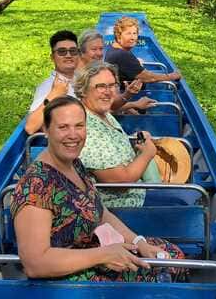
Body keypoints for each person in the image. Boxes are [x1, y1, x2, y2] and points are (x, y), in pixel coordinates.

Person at [12, 96, 184, 282]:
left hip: (98, 253)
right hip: (71, 280)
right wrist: (103, 255)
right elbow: (35, 264)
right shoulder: (36, 185)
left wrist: (138, 242)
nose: (73, 134)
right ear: (46, 130)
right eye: (63, 127)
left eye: (79, 126)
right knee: (164, 273)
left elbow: (101, 213)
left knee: (171, 255)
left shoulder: (74, 165)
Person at [75, 61, 161, 208]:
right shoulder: (87, 129)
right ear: (83, 90)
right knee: (192, 198)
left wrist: (136, 144)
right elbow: (121, 183)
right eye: (101, 86)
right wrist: (147, 153)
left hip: (138, 190)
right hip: (125, 207)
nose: (108, 92)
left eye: (112, 85)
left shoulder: (101, 113)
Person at [78, 29, 152, 114]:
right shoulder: (78, 77)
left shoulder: (100, 68)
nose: (99, 53)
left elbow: (113, 102)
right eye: (94, 49)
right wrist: (134, 104)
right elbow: (106, 109)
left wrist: (129, 97)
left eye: (101, 49)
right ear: (82, 52)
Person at [25, 30, 79, 134]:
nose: (68, 55)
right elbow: (30, 127)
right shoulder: (48, 86)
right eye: (62, 52)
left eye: (73, 51)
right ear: (52, 58)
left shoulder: (79, 78)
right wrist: (55, 94)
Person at [104, 16, 181, 86]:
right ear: (118, 36)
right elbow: (149, 78)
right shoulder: (122, 55)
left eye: (134, 33)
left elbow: (124, 65)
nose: (133, 37)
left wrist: (135, 63)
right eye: (128, 34)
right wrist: (172, 76)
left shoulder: (113, 47)